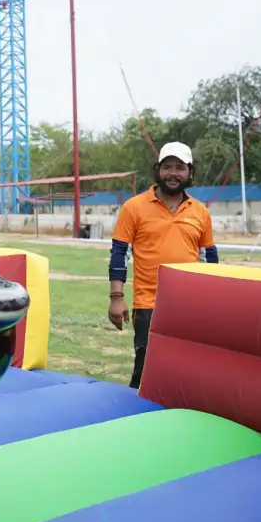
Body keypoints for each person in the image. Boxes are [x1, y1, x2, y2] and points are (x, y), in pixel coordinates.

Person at [108, 142, 218, 388]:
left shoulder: (201, 212)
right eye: (167, 167)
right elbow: (119, 253)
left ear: (190, 172)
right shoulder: (134, 207)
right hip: (148, 304)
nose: (173, 173)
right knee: (146, 370)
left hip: (191, 306)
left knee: (187, 370)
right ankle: (137, 422)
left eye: (180, 167)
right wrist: (116, 296)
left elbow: (209, 259)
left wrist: (212, 304)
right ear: (157, 170)